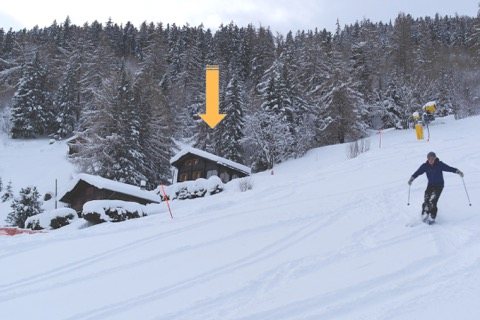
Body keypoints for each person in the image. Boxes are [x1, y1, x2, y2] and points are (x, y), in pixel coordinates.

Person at [408, 151, 464, 224]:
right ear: (427, 159)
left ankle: (432, 216)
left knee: (433, 201)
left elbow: (449, 168)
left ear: (435, 158)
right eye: (429, 158)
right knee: (426, 199)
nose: (431, 160)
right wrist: (412, 178)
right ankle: (425, 213)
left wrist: (458, 172)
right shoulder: (425, 166)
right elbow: (418, 172)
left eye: (432, 158)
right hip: (430, 185)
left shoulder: (439, 165)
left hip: (439, 186)